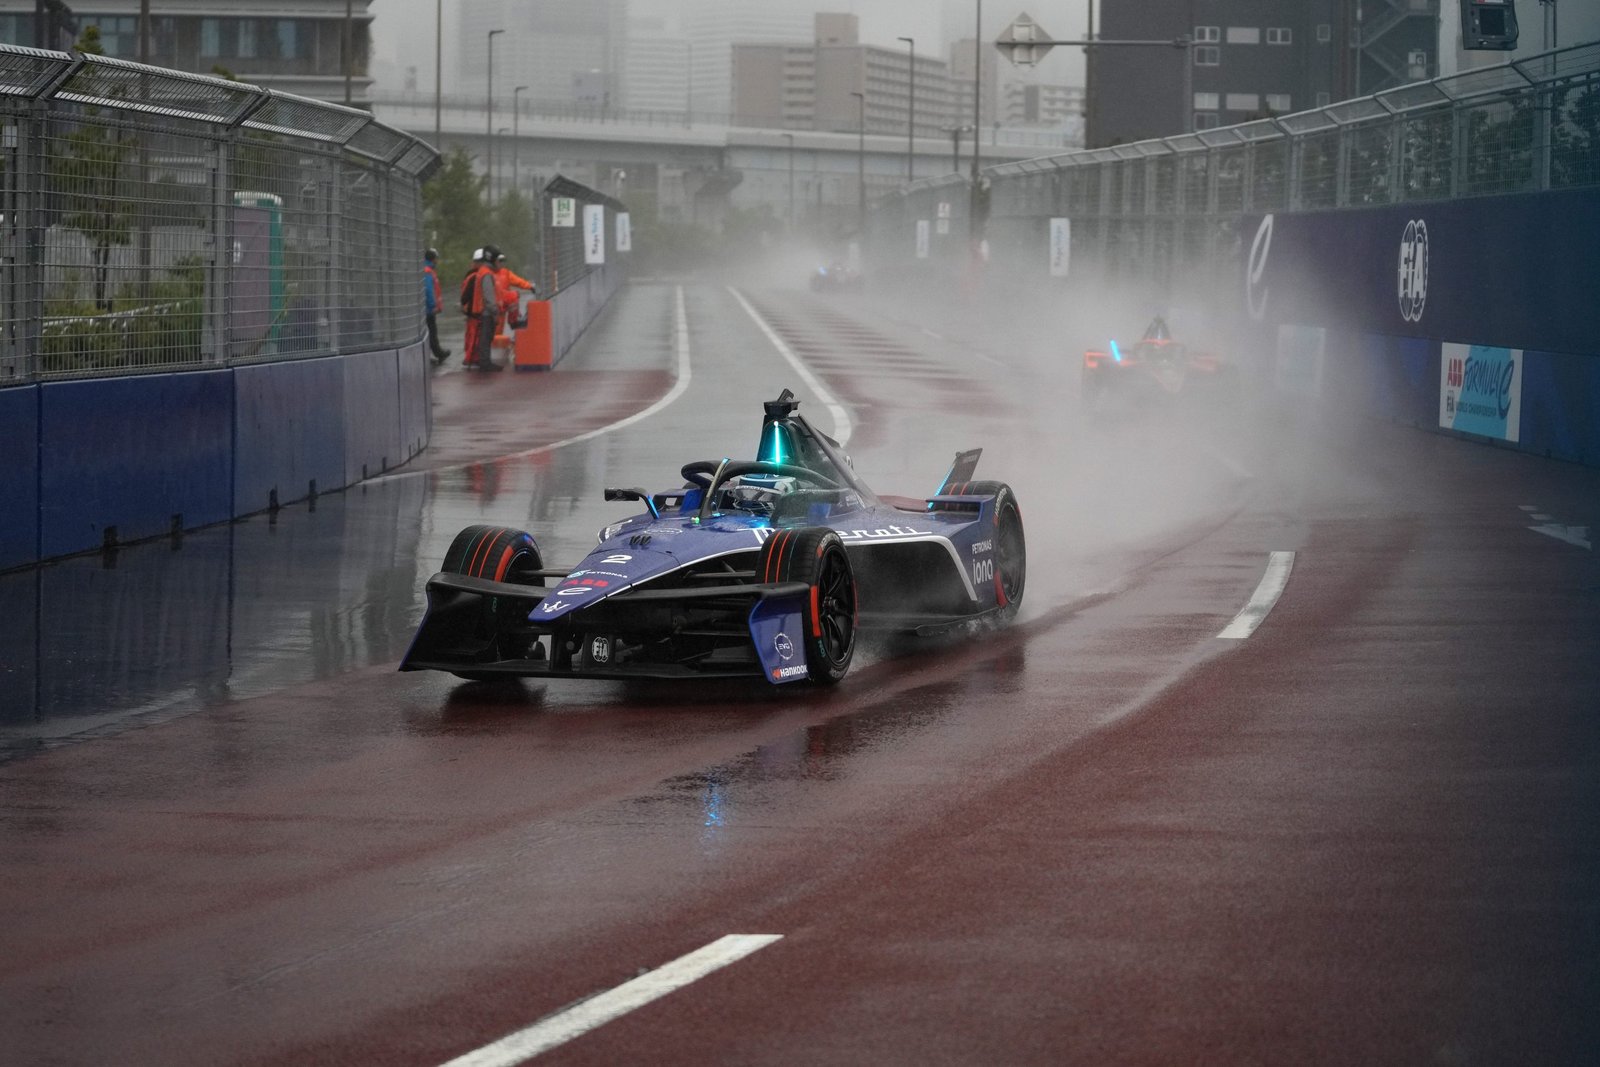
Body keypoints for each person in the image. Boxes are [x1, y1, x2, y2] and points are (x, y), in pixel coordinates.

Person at [460, 247, 503, 371]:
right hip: (485, 312)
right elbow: (489, 296)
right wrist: (495, 312)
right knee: (484, 338)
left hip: (480, 311)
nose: (499, 264)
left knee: (482, 338)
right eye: (498, 261)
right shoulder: (487, 274)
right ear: (493, 260)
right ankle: (484, 363)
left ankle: (482, 361)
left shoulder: (481, 272)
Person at [492, 251, 537, 339]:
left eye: (502, 261)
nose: (501, 263)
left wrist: (530, 286)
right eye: (499, 261)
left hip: (501, 307)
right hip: (492, 307)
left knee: (498, 330)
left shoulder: (505, 273)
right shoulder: (488, 274)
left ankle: (497, 343)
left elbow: (518, 281)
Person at [422, 248, 450, 362]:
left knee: (429, 331)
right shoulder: (428, 271)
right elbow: (428, 290)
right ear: (433, 259)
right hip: (428, 309)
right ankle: (438, 353)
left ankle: (435, 353)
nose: (437, 261)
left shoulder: (426, 270)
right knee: (431, 331)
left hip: (426, 308)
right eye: (437, 258)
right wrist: (433, 305)